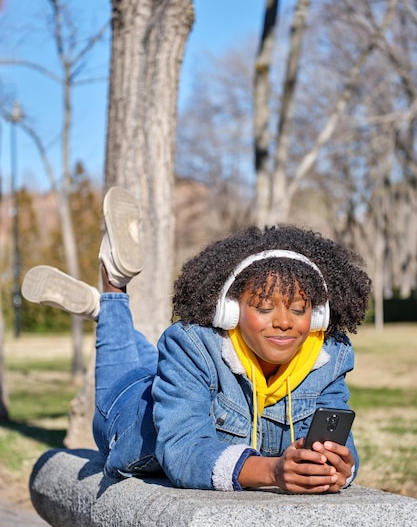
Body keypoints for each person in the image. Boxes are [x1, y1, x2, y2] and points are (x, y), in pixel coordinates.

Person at [22, 187, 372, 493]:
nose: (284, 322)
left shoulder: (329, 358)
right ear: (229, 311)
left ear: (318, 315)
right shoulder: (191, 345)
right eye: (264, 307)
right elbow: (184, 450)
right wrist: (274, 470)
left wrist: (339, 468)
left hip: (173, 377)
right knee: (125, 369)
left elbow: (345, 448)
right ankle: (113, 285)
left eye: (299, 309)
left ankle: (101, 309)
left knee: (148, 355)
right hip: (129, 407)